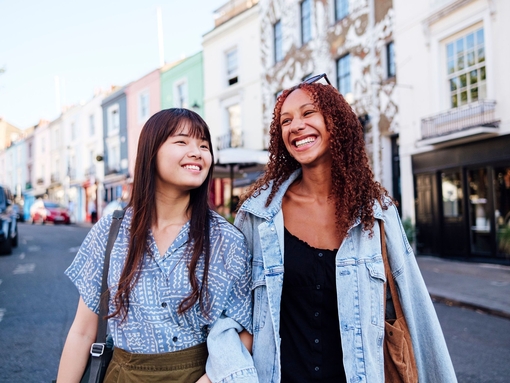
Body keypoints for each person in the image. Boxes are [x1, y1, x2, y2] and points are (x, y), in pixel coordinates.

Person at [234, 74, 457, 382]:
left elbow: (417, 313)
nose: (295, 125)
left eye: (308, 113)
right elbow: (237, 312)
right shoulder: (258, 215)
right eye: (285, 121)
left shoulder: (376, 213)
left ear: (336, 122)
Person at [57, 108, 257, 383]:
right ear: (151, 152)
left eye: (204, 145)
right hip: (123, 374)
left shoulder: (225, 239)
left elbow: (246, 328)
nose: (197, 152)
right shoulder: (111, 231)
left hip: (198, 375)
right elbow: (83, 331)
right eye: (182, 141)